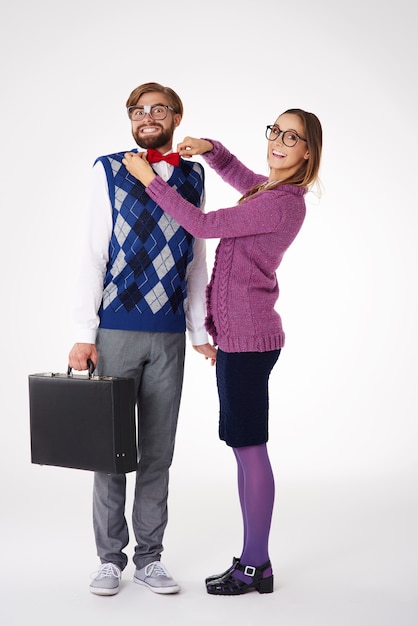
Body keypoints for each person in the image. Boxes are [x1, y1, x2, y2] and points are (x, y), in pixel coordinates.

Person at [122, 108, 323, 596]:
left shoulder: (281, 203)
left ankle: (256, 564)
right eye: (275, 130)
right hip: (242, 341)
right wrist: (212, 149)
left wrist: (150, 179)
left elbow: (204, 223)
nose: (278, 141)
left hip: (251, 341)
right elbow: (241, 177)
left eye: (291, 137)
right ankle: (254, 557)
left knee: (250, 449)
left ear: (307, 153)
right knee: (243, 447)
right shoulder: (270, 192)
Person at [68, 82, 216, 596]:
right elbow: (93, 252)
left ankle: (149, 557)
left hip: (169, 337)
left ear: (176, 116)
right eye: (137, 110)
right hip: (115, 331)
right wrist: (84, 334)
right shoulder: (109, 169)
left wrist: (199, 329)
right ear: (130, 120)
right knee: (109, 451)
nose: (146, 116)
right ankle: (110, 558)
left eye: (157, 109)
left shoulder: (193, 175)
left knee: (158, 452)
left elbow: (196, 259)